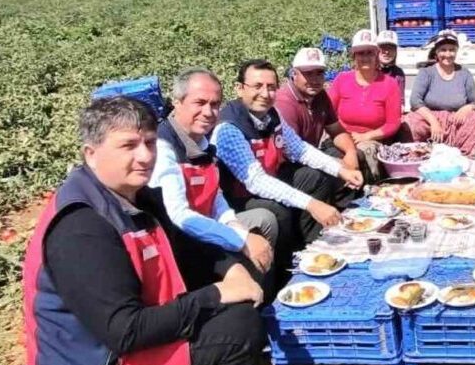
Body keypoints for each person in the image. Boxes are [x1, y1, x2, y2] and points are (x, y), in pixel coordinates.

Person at [23, 96, 264, 365]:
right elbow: (125, 332)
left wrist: (232, 268)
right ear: (90, 154)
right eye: (128, 146)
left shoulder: (138, 197)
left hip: (120, 343)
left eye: (150, 143)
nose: (145, 156)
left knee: (237, 292)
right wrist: (216, 294)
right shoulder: (82, 228)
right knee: (237, 329)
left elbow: (188, 247)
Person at [151, 68, 281, 294]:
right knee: (249, 240)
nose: (208, 112)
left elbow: (215, 196)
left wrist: (233, 224)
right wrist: (240, 239)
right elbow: (179, 216)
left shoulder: (203, 142)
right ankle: (244, 301)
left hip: (205, 222)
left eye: (215, 104)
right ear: (177, 102)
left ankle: (266, 298)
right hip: (181, 239)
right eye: (199, 103)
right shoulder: (163, 148)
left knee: (265, 219)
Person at [213, 59, 363, 249]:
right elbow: (257, 182)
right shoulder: (229, 127)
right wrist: (312, 204)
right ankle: (286, 264)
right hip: (240, 197)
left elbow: (300, 149)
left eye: (271, 87)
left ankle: (313, 244)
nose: (265, 94)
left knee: (315, 177)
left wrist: (341, 170)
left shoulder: (271, 115)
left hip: (270, 178)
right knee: (276, 211)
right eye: (257, 86)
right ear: (239, 88)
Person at [327, 29, 403, 183]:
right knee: (330, 159)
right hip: (341, 136)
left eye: (370, 52)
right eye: (361, 53)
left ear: (377, 55)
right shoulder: (342, 80)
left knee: (362, 155)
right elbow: (328, 113)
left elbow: (393, 123)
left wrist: (366, 136)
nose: (365, 57)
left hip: (371, 139)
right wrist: (343, 137)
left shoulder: (390, 84)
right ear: (354, 56)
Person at [274, 47, 360, 171]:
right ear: (294, 74)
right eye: (308, 74)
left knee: (354, 156)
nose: (315, 80)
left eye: (319, 73)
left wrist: (351, 152)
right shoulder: (285, 102)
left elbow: (336, 130)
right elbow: (293, 153)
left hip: (311, 156)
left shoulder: (320, 96)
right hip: (289, 167)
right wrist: (338, 167)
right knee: (332, 174)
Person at [401, 30, 475, 155]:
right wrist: (433, 122)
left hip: (455, 120)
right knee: (411, 121)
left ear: (456, 52)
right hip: (430, 118)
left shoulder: (464, 73)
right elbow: (415, 102)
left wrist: (466, 108)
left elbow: (473, 102)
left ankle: (466, 157)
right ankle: (419, 155)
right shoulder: (426, 73)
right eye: (443, 50)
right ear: (436, 52)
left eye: (452, 50)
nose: (448, 54)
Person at [377, 29, 406, 97]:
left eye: (390, 48)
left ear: (395, 51)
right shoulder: (369, 71)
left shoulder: (399, 73)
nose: (386, 52)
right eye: (383, 47)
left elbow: (400, 100)